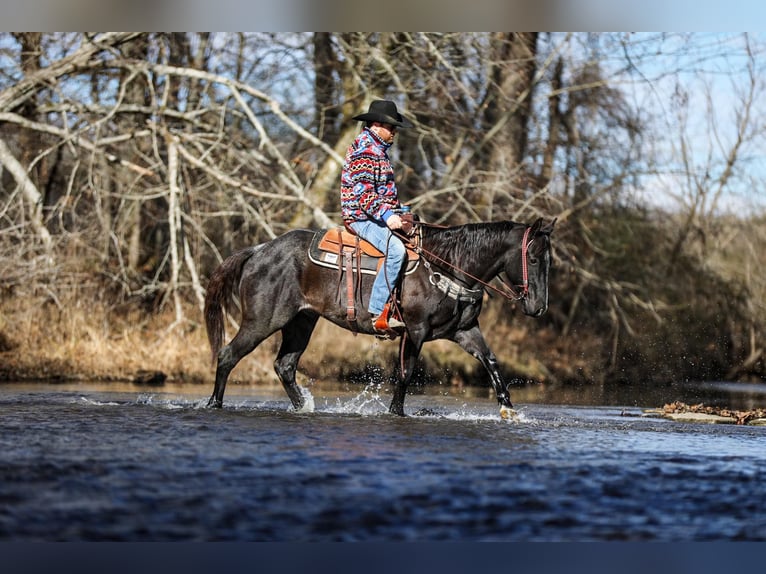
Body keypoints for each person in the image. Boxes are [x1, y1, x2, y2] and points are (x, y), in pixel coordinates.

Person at [340, 99, 414, 333]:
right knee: (396, 251)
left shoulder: (378, 150)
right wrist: (387, 216)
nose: (394, 132)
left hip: (374, 215)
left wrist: (400, 212)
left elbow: (383, 192)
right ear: (376, 124)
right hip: (360, 218)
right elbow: (364, 194)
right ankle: (378, 312)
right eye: (391, 127)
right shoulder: (366, 150)